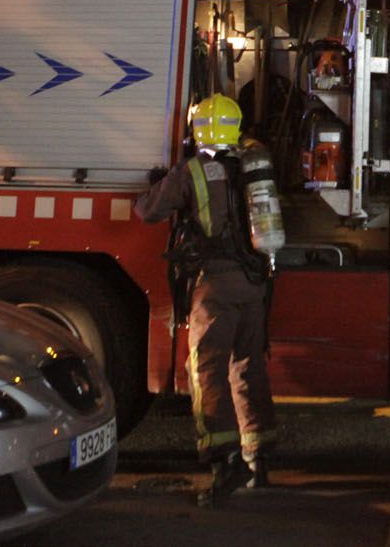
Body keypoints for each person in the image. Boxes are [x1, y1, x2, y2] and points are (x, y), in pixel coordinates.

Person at [135, 93, 278, 508]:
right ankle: (258, 459)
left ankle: (224, 461)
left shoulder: (193, 171)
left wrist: (157, 181)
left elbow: (148, 211)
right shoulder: (251, 168)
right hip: (254, 286)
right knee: (248, 366)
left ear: (198, 129)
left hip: (214, 287)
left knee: (206, 370)